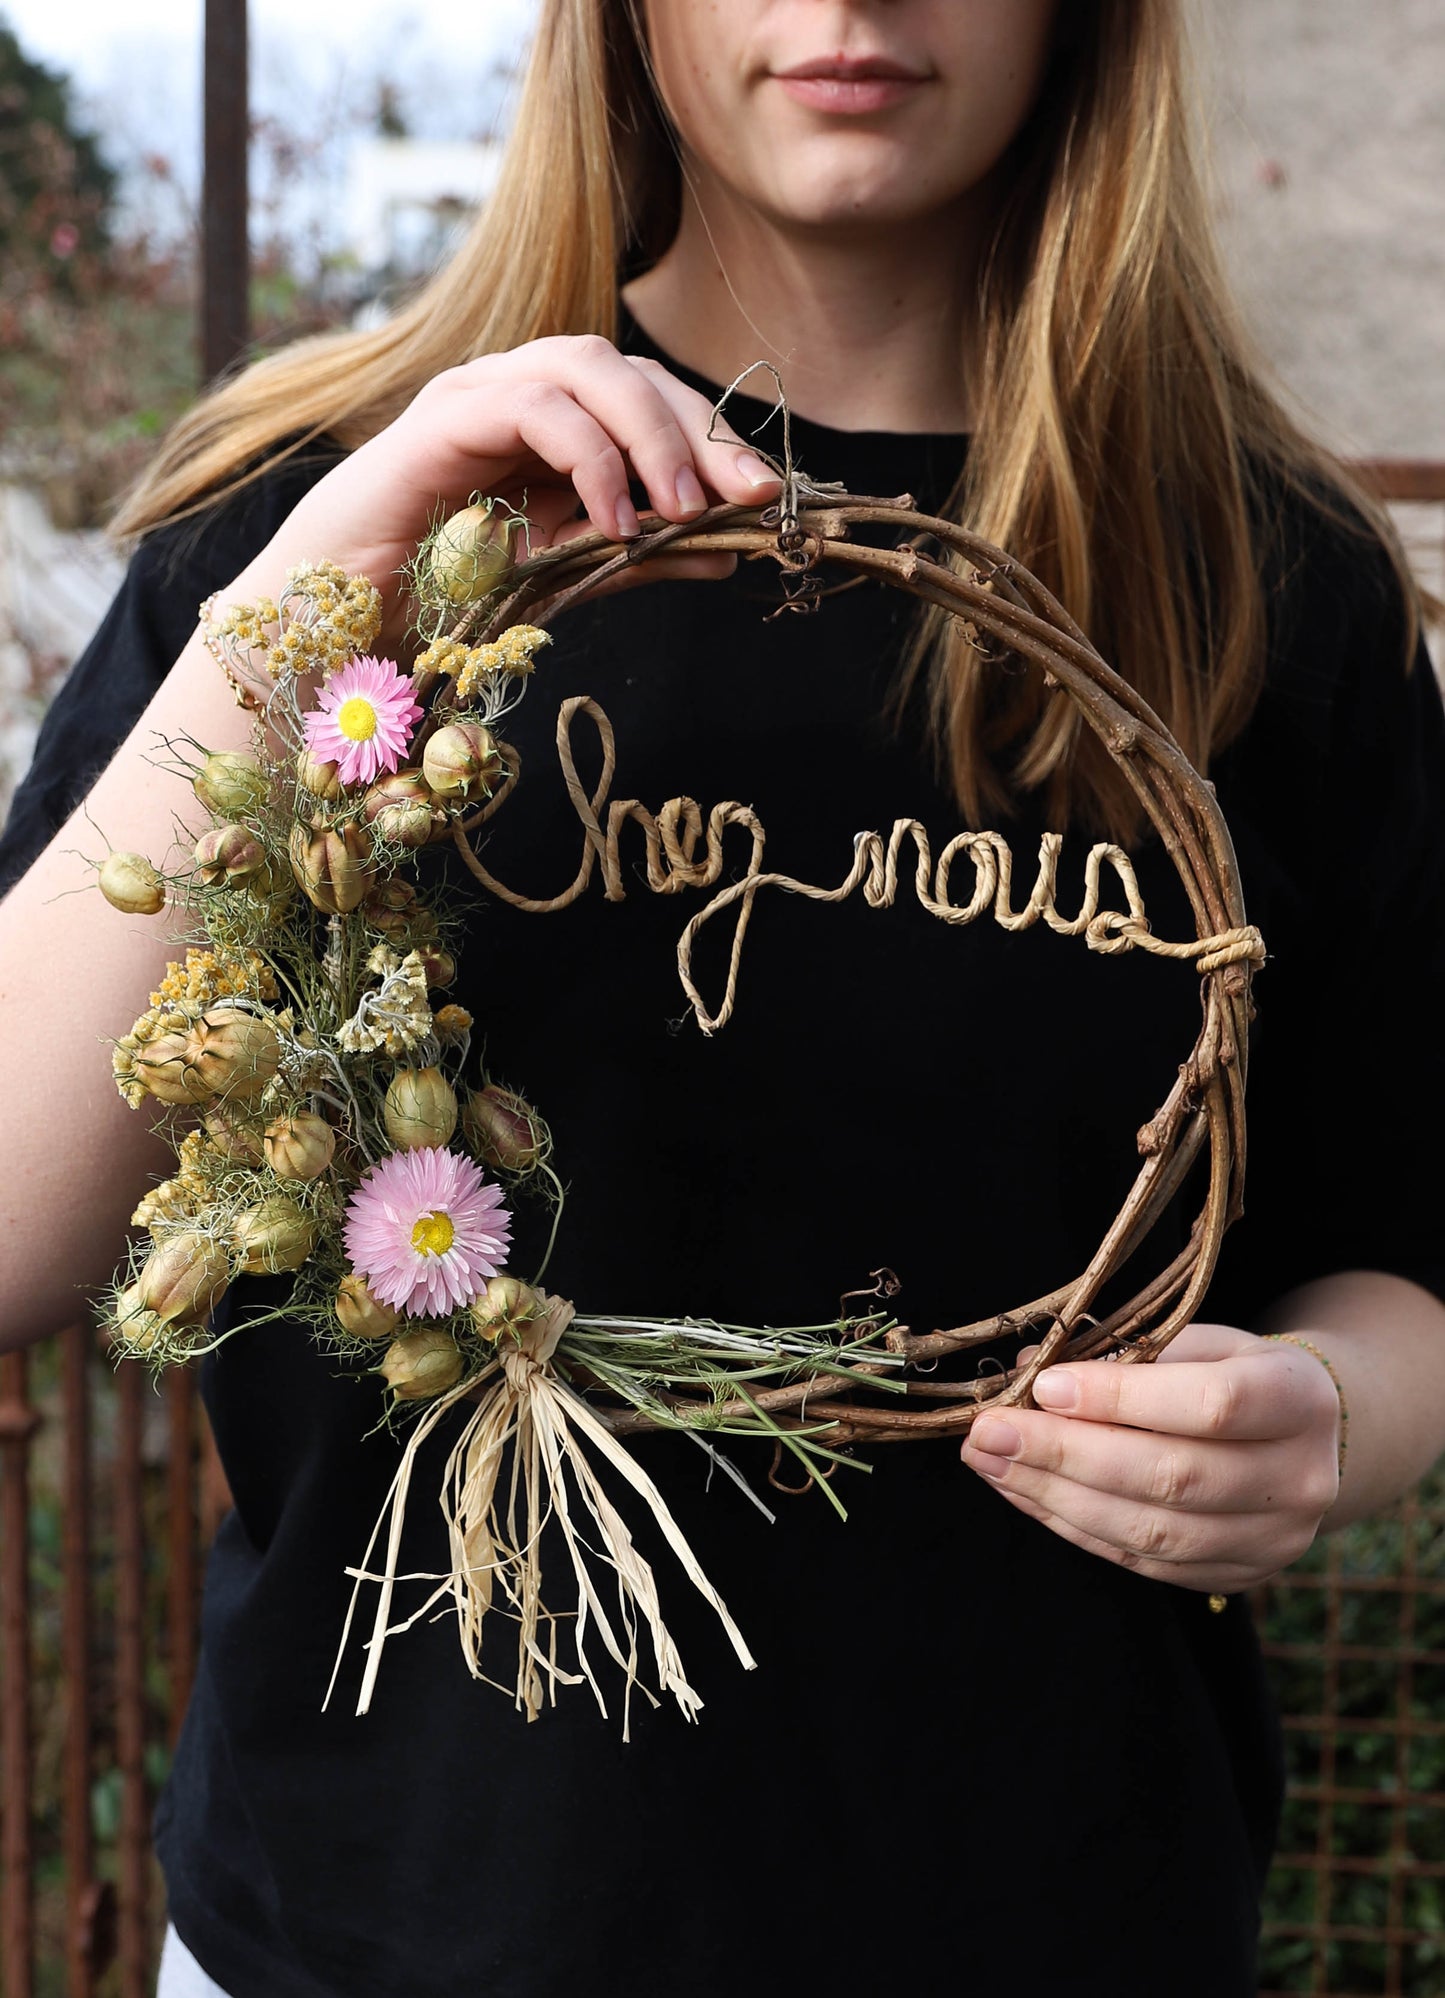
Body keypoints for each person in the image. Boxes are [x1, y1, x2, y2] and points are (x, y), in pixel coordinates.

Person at [3, 3, 1444, 1993]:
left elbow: (1401, 1242)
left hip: (1048, 1916)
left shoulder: (1255, 585)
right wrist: (321, 589)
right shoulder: (341, 525)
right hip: (381, 1930)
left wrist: (1338, 1419)